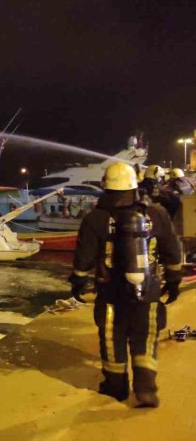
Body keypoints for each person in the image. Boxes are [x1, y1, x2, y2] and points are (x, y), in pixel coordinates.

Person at [69, 162, 182, 408]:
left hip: (110, 293)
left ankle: (116, 388)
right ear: (134, 185)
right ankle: (146, 388)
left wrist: (78, 282)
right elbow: (172, 250)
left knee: (112, 339)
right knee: (145, 337)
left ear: (105, 186)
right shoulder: (157, 214)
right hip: (148, 291)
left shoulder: (95, 219)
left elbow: (84, 258)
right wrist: (173, 281)